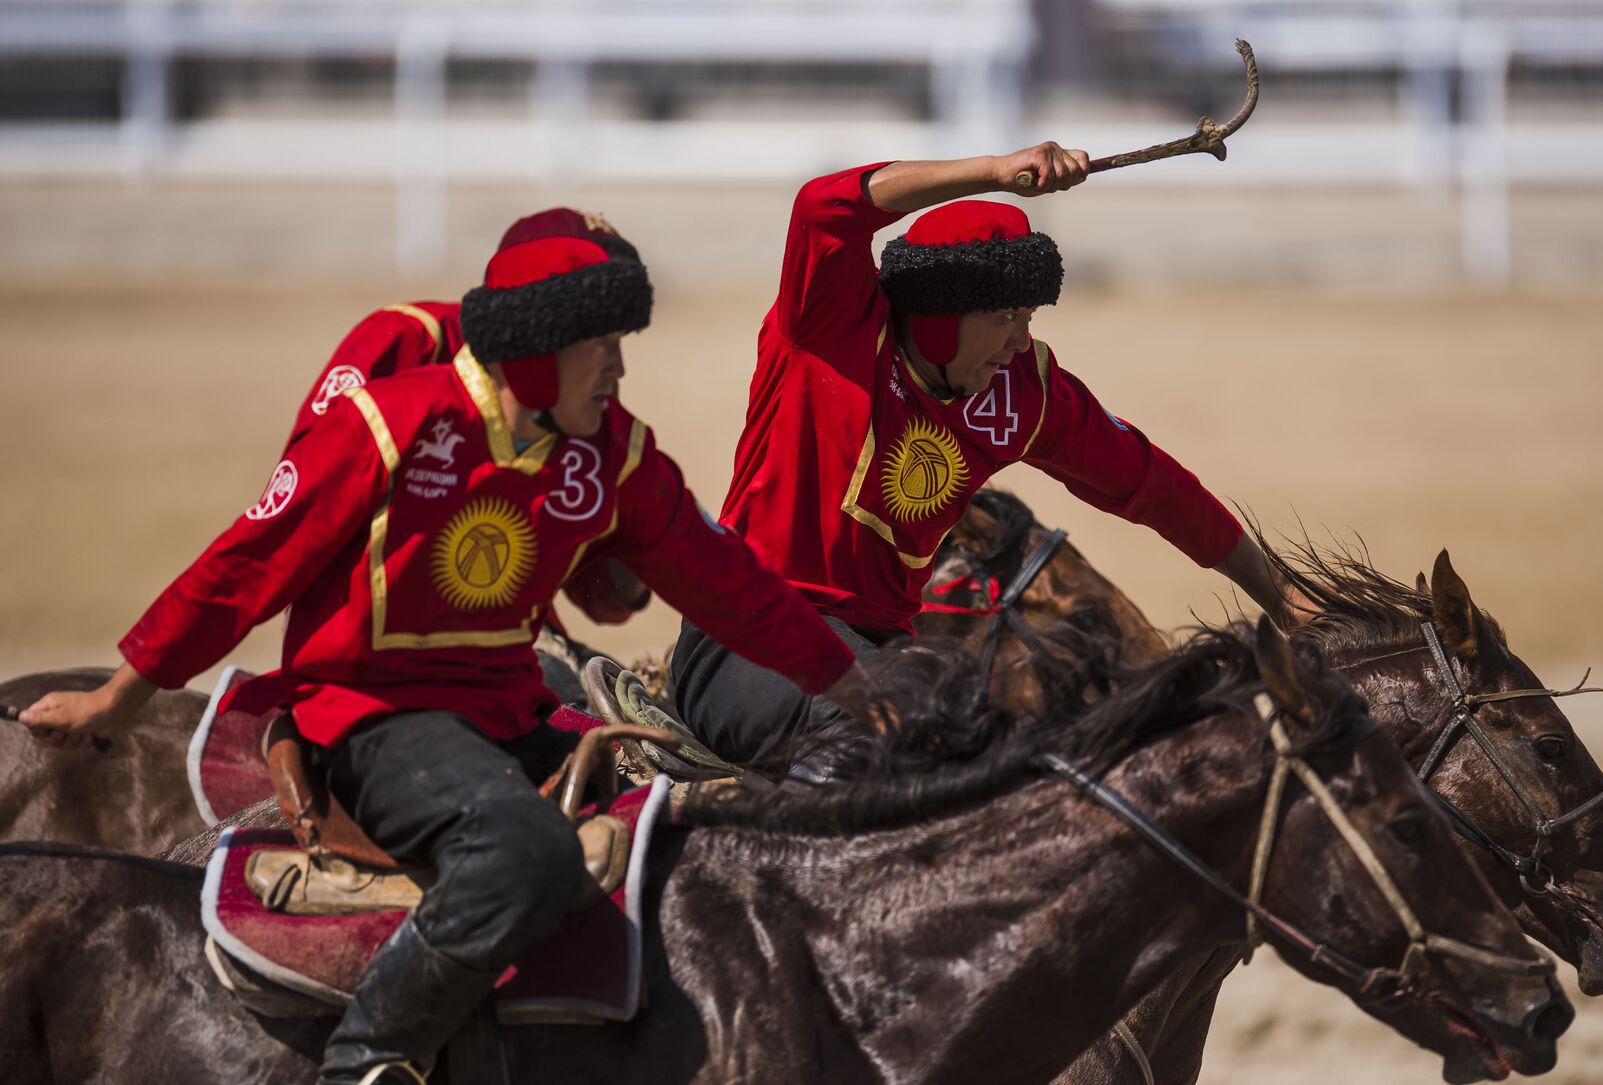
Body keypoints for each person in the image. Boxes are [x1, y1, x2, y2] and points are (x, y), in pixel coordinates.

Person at [20, 227, 876, 1084]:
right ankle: (366, 1054)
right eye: (600, 345)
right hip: (373, 720)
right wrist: (116, 700)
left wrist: (849, 682)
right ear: (535, 357)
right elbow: (244, 568)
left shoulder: (612, 454)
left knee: (670, 823)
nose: (618, 366)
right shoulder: (389, 426)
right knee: (526, 854)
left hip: (507, 713)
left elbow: (727, 582)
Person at [673, 143, 1295, 773]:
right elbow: (822, 207)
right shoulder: (830, 325)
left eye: (1027, 316)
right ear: (939, 315)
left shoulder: (1023, 393)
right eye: (1003, 317)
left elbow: (1156, 487)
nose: (1021, 341)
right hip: (746, 635)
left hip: (884, 654)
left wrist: (1283, 598)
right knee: (892, 726)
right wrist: (995, 172)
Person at [292, 207, 652, 625]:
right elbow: (300, 512)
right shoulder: (408, 341)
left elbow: (607, 597)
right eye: (595, 313)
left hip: (508, 641)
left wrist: (641, 508)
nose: (614, 358)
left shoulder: (581, 399)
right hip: (369, 633)